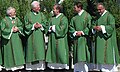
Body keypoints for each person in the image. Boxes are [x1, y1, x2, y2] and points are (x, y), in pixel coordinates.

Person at [92, 3, 119, 71]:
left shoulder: (109, 16)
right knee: (100, 58)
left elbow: (111, 27)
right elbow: (93, 24)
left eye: (100, 9)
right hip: (99, 39)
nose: (99, 11)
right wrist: (94, 28)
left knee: (107, 57)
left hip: (107, 40)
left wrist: (102, 28)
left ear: (104, 8)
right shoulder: (98, 16)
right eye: (98, 10)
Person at [24, 1, 47, 70]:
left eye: (39, 7)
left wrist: (41, 25)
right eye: (38, 7)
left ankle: (40, 68)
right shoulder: (28, 15)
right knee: (31, 52)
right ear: (33, 8)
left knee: (40, 52)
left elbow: (46, 23)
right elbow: (26, 26)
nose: (39, 8)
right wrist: (33, 26)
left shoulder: (41, 15)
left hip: (39, 37)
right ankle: (30, 68)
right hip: (31, 37)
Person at [69, 2, 92, 72]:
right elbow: (71, 27)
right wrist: (75, 32)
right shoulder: (74, 18)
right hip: (76, 40)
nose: (74, 9)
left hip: (84, 39)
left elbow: (89, 26)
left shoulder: (87, 16)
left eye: (75, 7)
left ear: (79, 8)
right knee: (77, 56)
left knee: (83, 56)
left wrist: (82, 32)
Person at [1, 7, 25, 71]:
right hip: (8, 42)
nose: (15, 13)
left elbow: (21, 26)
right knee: (10, 56)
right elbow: (2, 30)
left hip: (17, 41)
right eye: (14, 12)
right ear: (10, 14)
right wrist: (11, 30)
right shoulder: (4, 20)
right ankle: (10, 68)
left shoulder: (17, 19)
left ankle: (18, 67)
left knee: (18, 55)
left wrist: (18, 29)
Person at [46, 4, 69, 70]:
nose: (53, 10)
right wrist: (49, 28)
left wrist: (53, 28)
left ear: (58, 10)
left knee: (61, 56)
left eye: (54, 9)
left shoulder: (63, 18)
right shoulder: (51, 18)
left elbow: (63, 29)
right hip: (52, 40)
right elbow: (47, 27)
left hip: (60, 40)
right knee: (52, 58)